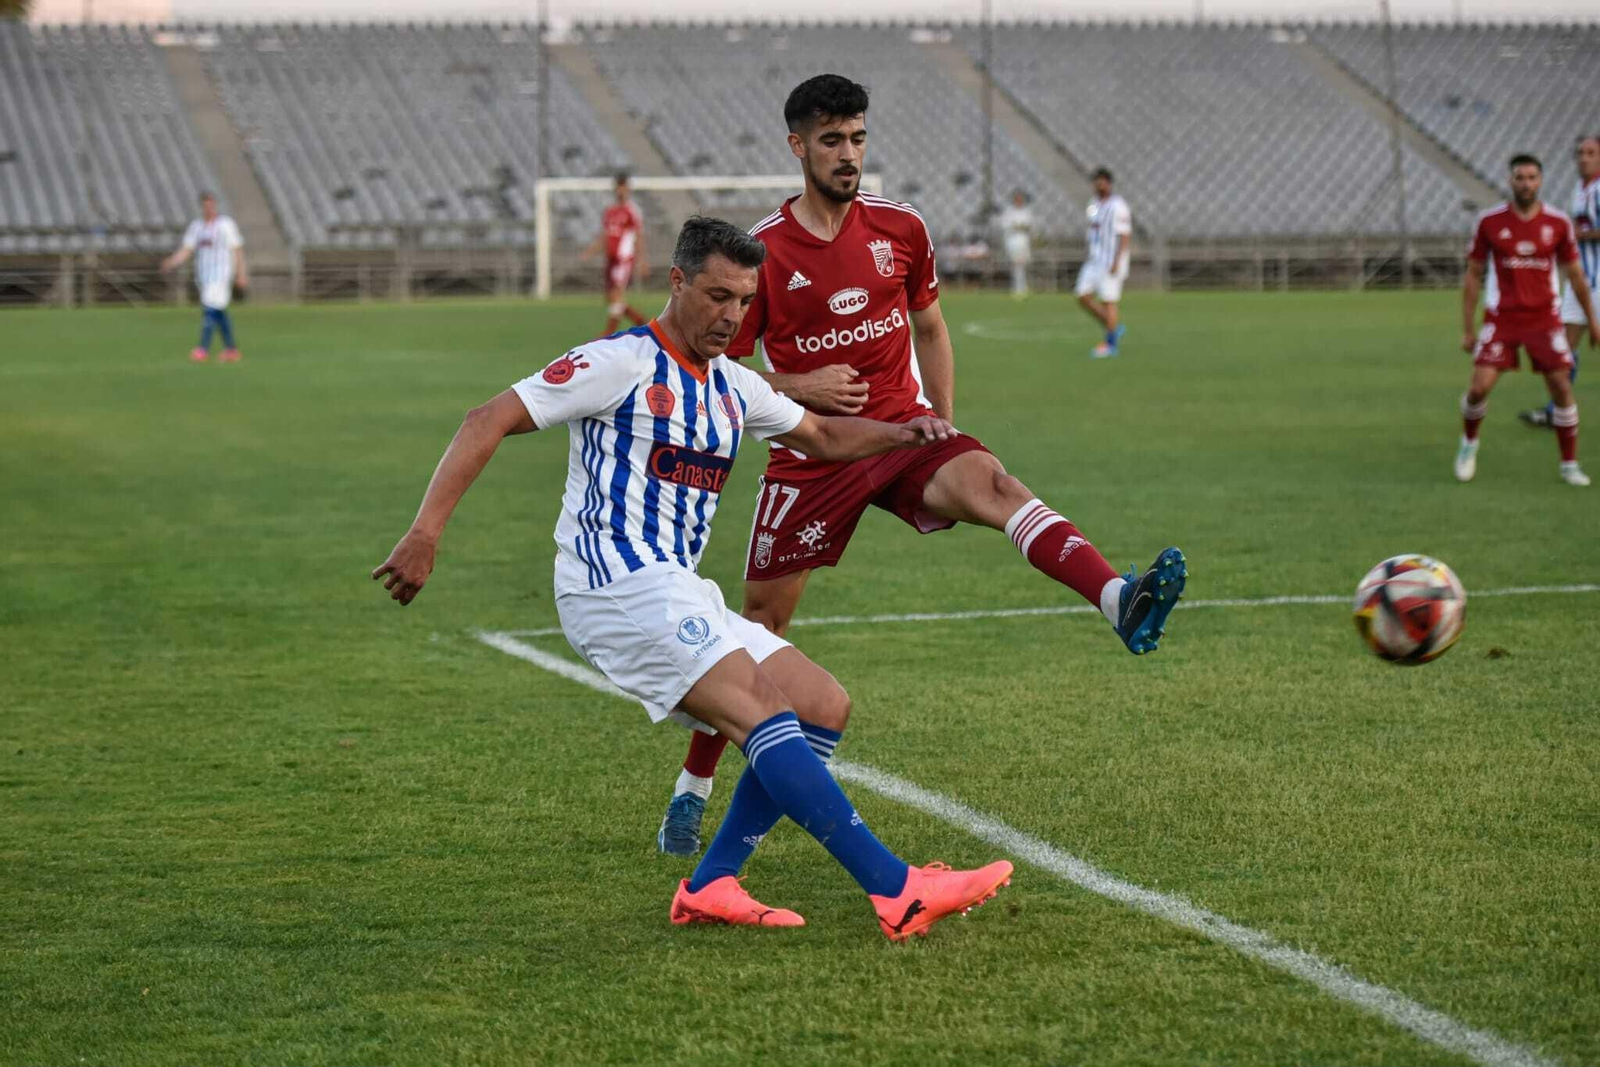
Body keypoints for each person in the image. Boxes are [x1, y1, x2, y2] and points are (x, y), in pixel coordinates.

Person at [371, 216, 1013, 940]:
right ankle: (897, 890)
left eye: (743, 300)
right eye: (716, 296)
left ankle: (712, 882)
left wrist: (909, 432)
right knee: (762, 710)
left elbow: (826, 436)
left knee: (822, 704)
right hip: (611, 585)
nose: (731, 315)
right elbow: (486, 417)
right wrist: (425, 532)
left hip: (675, 585)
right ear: (676, 283)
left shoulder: (732, 385)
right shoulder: (621, 362)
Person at [654, 74, 1187, 858]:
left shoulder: (900, 229)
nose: (848, 154)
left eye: (858, 138)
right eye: (832, 139)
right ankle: (692, 789)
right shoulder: (762, 256)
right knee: (757, 632)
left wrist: (945, 420)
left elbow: (931, 327)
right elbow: (716, 372)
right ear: (797, 146)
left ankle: (1116, 597)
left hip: (903, 431)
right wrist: (800, 386)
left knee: (997, 484)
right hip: (811, 456)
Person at [1455, 154, 1598, 488]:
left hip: (1544, 320)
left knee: (1561, 387)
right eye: (1520, 177)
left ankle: (1569, 464)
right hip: (1502, 319)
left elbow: (1576, 275)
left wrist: (1593, 321)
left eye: (1532, 177)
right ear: (1511, 181)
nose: (1526, 183)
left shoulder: (1558, 223)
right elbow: (1473, 274)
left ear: (1541, 181)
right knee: (1478, 389)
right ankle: (1468, 444)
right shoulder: (1489, 222)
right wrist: (1467, 329)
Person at [1519, 135, 1599, 429]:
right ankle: (1556, 411)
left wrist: (1574, 235)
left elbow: (1581, 232)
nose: (1584, 158)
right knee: (1564, 348)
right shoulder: (1581, 188)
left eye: (1591, 152)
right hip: (1583, 282)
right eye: (1580, 152)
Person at [161, 192, 246, 363]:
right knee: (218, 311)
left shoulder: (225, 225)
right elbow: (187, 249)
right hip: (204, 277)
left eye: (211, 205)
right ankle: (231, 349)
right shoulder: (197, 227)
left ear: (215, 205)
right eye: (206, 205)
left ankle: (202, 349)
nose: (209, 208)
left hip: (221, 275)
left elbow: (237, 249)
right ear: (202, 207)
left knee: (209, 309)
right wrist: (171, 262)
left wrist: (240, 274)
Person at [579, 173, 649, 336]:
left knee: (617, 294)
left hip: (623, 258)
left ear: (628, 189)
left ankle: (608, 333)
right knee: (611, 298)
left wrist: (643, 260)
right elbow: (605, 235)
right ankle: (642, 322)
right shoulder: (610, 211)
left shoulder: (632, 211)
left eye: (623, 188)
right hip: (610, 259)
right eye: (618, 188)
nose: (620, 191)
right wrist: (591, 251)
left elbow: (639, 235)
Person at [1076, 168, 1131, 359]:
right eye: (1096, 182)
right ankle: (1112, 326)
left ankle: (1110, 345)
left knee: (1108, 300)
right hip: (1094, 260)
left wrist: (1117, 261)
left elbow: (1124, 235)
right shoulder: (1093, 204)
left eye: (1102, 182)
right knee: (1082, 296)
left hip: (1110, 260)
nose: (1098, 185)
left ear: (1109, 183)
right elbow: (1093, 227)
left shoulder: (1118, 206)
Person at [999, 189, 1034, 298]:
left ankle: (1022, 287)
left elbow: (1028, 225)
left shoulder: (1026, 211)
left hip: (1023, 241)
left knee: (1022, 265)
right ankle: (1017, 288)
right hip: (1013, 242)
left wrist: (1019, 226)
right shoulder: (1009, 212)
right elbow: (1007, 225)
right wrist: (1018, 226)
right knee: (1016, 265)